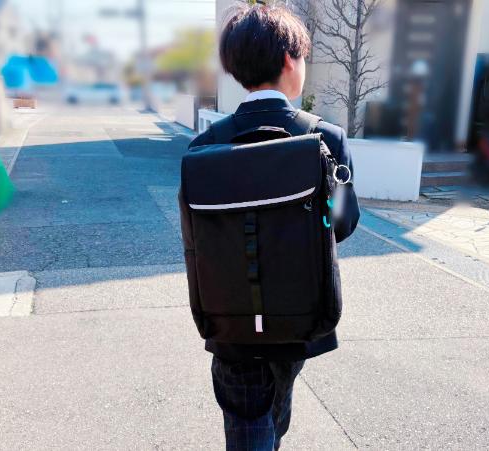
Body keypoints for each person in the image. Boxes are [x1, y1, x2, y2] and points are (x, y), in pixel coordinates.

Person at [185, 4, 360, 450]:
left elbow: (198, 235)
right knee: (272, 419)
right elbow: (343, 223)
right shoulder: (325, 138)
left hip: (229, 320)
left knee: (249, 425)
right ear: (288, 60)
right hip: (300, 317)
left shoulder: (205, 146)